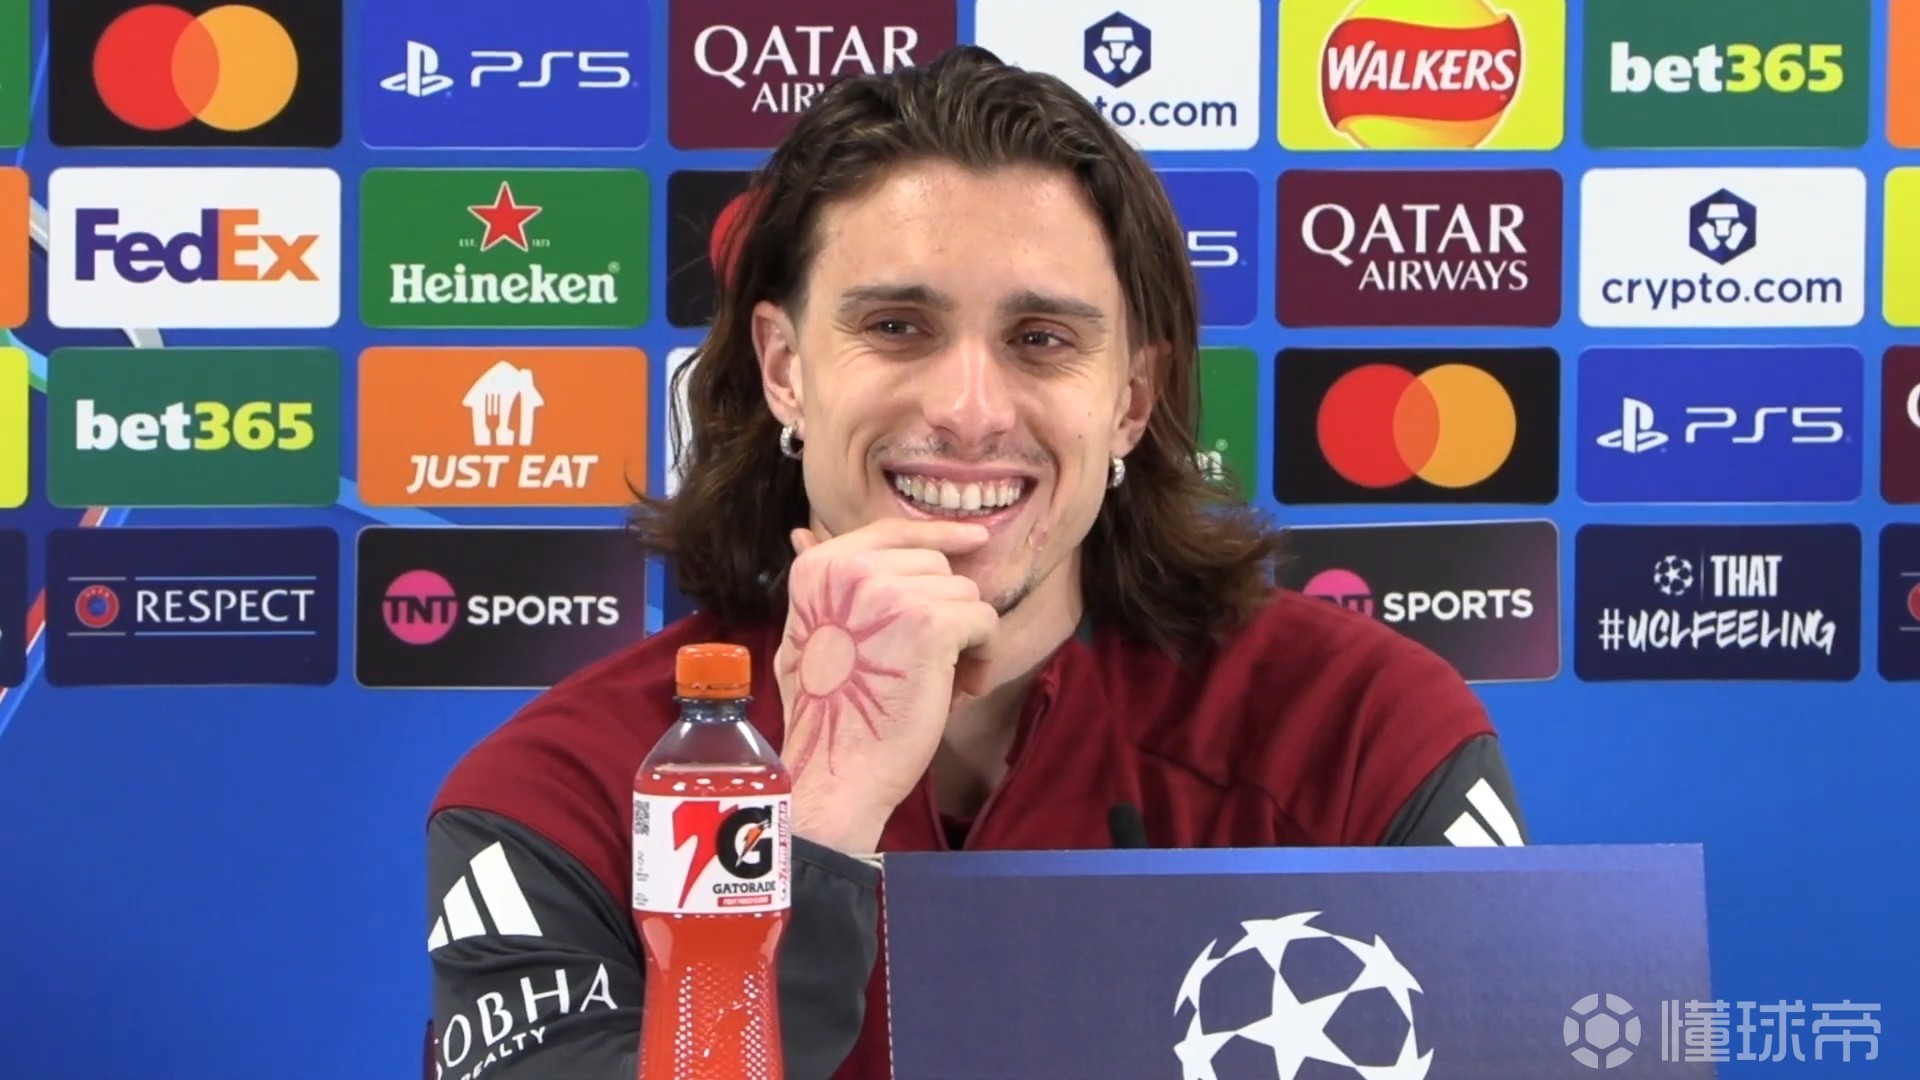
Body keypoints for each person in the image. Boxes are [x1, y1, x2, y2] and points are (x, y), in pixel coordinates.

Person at [424, 44, 1529, 1080]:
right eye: (897, 327)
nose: (969, 409)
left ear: (1129, 402)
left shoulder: (1363, 734)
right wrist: (813, 830)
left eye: (1041, 340)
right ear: (784, 369)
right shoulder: (564, 793)